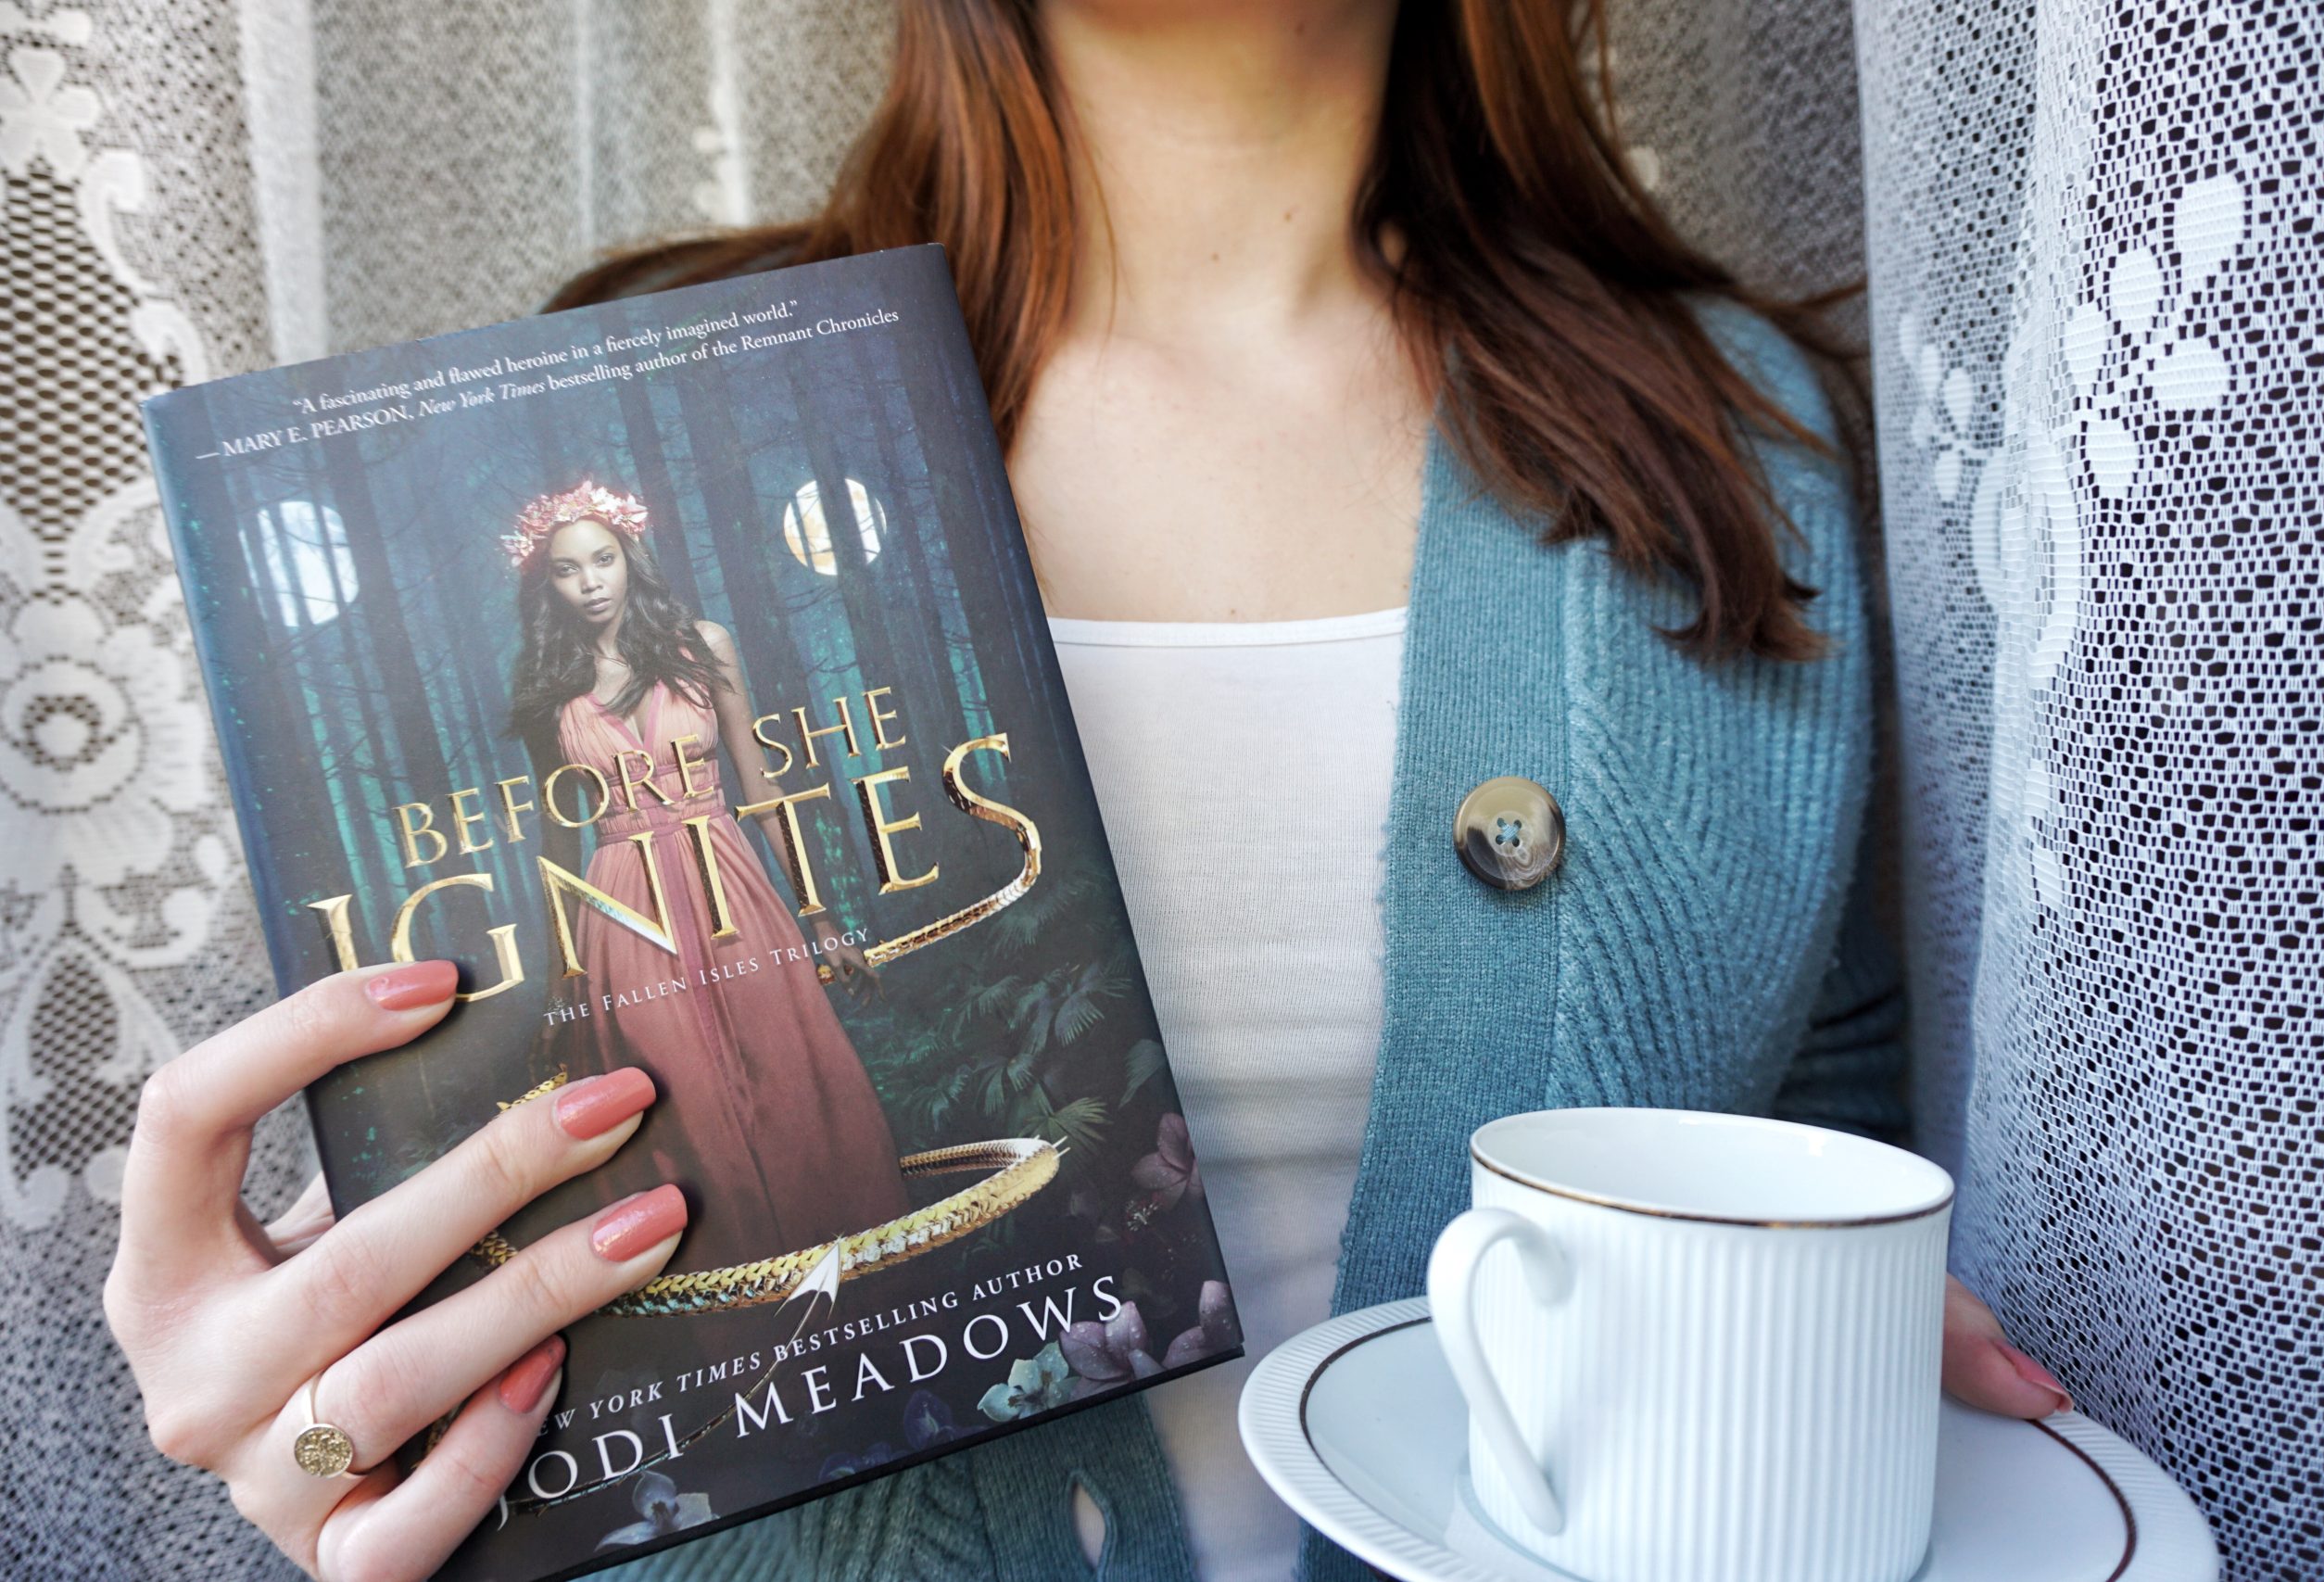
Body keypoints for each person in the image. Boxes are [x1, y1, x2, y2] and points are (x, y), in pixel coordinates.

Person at [103, 3, 2077, 1579]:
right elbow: (531, 1295)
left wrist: (1816, 1329)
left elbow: (1814, 1132)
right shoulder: (630, 403)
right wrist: (359, 1428)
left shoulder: (1734, 439)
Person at [502, 480, 909, 1270]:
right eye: (566, 569)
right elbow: (557, 845)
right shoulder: (549, 697)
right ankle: (740, 1308)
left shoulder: (704, 647)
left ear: (630, 560)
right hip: (622, 908)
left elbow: (761, 792)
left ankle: (848, 1279)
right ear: (545, 584)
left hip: (728, 877)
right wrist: (564, 978)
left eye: (602, 559)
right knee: (682, 1106)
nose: (589, 582)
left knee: (788, 1071)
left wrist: (822, 919)